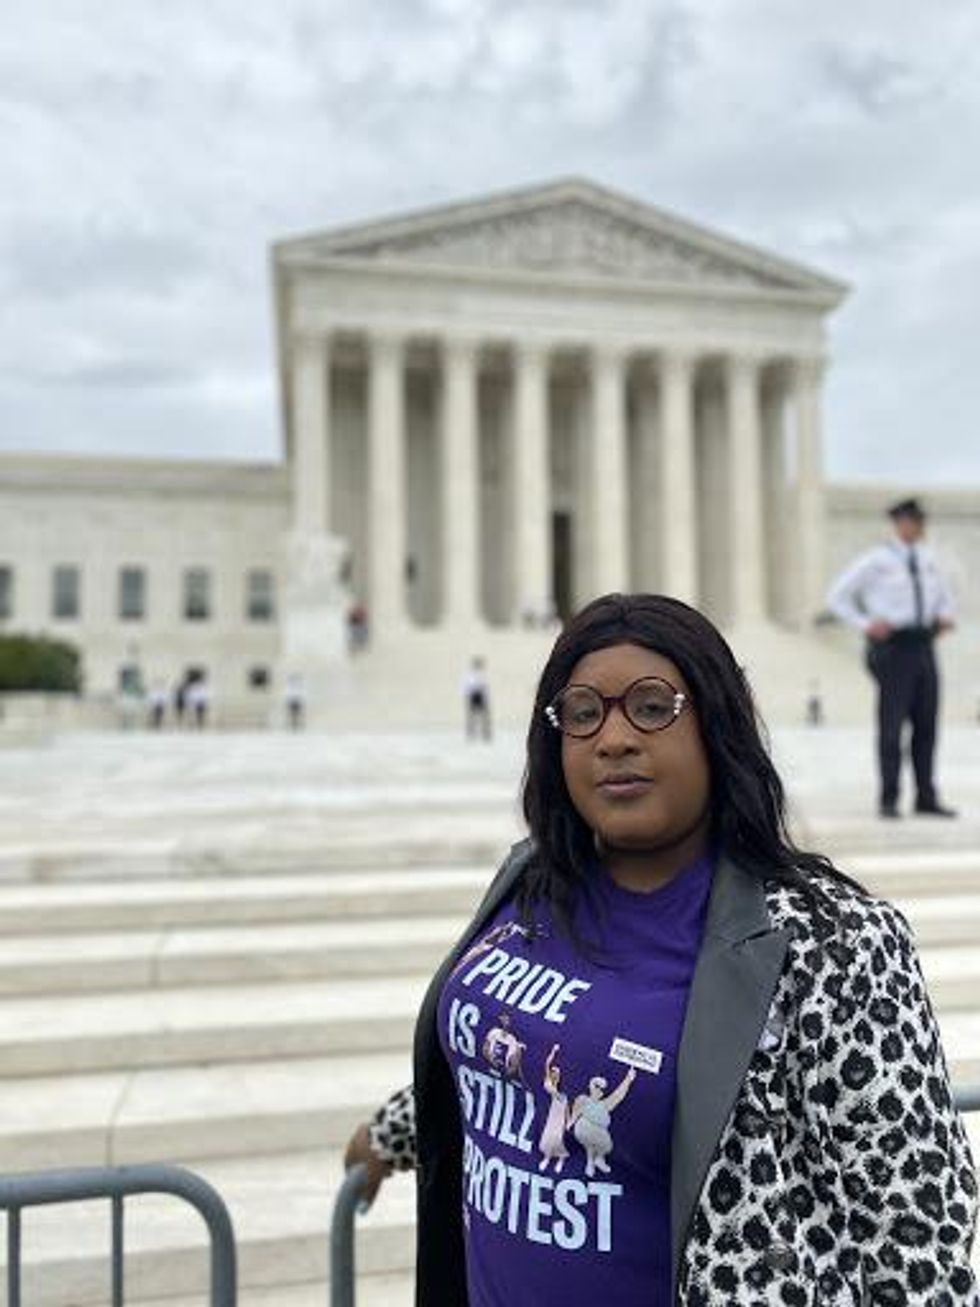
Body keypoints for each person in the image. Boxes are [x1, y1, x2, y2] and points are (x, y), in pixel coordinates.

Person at [344, 593, 977, 1304]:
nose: (613, 738)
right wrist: (401, 1125)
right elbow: (519, 1037)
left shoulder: (833, 943)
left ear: (716, 724)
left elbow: (922, 1239)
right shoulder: (531, 880)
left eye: (651, 706)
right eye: (583, 712)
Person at [827, 497, 957, 819]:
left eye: (919, 521)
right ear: (899, 524)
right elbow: (837, 596)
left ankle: (926, 796)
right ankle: (889, 797)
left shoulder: (928, 560)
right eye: (911, 521)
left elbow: (943, 596)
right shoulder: (876, 561)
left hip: (924, 645)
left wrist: (943, 615)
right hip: (893, 649)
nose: (916, 527)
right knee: (891, 725)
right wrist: (866, 624)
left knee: (926, 723)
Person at [462, 656, 491, 742]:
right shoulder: (470, 675)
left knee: (483, 716)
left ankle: (485, 733)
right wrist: (468, 696)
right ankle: (472, 733)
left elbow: (485, 688)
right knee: (473, 716)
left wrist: (485, 696)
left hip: (480, 696)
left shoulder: (481, 675)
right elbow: (467, 687)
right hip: (474, 695)